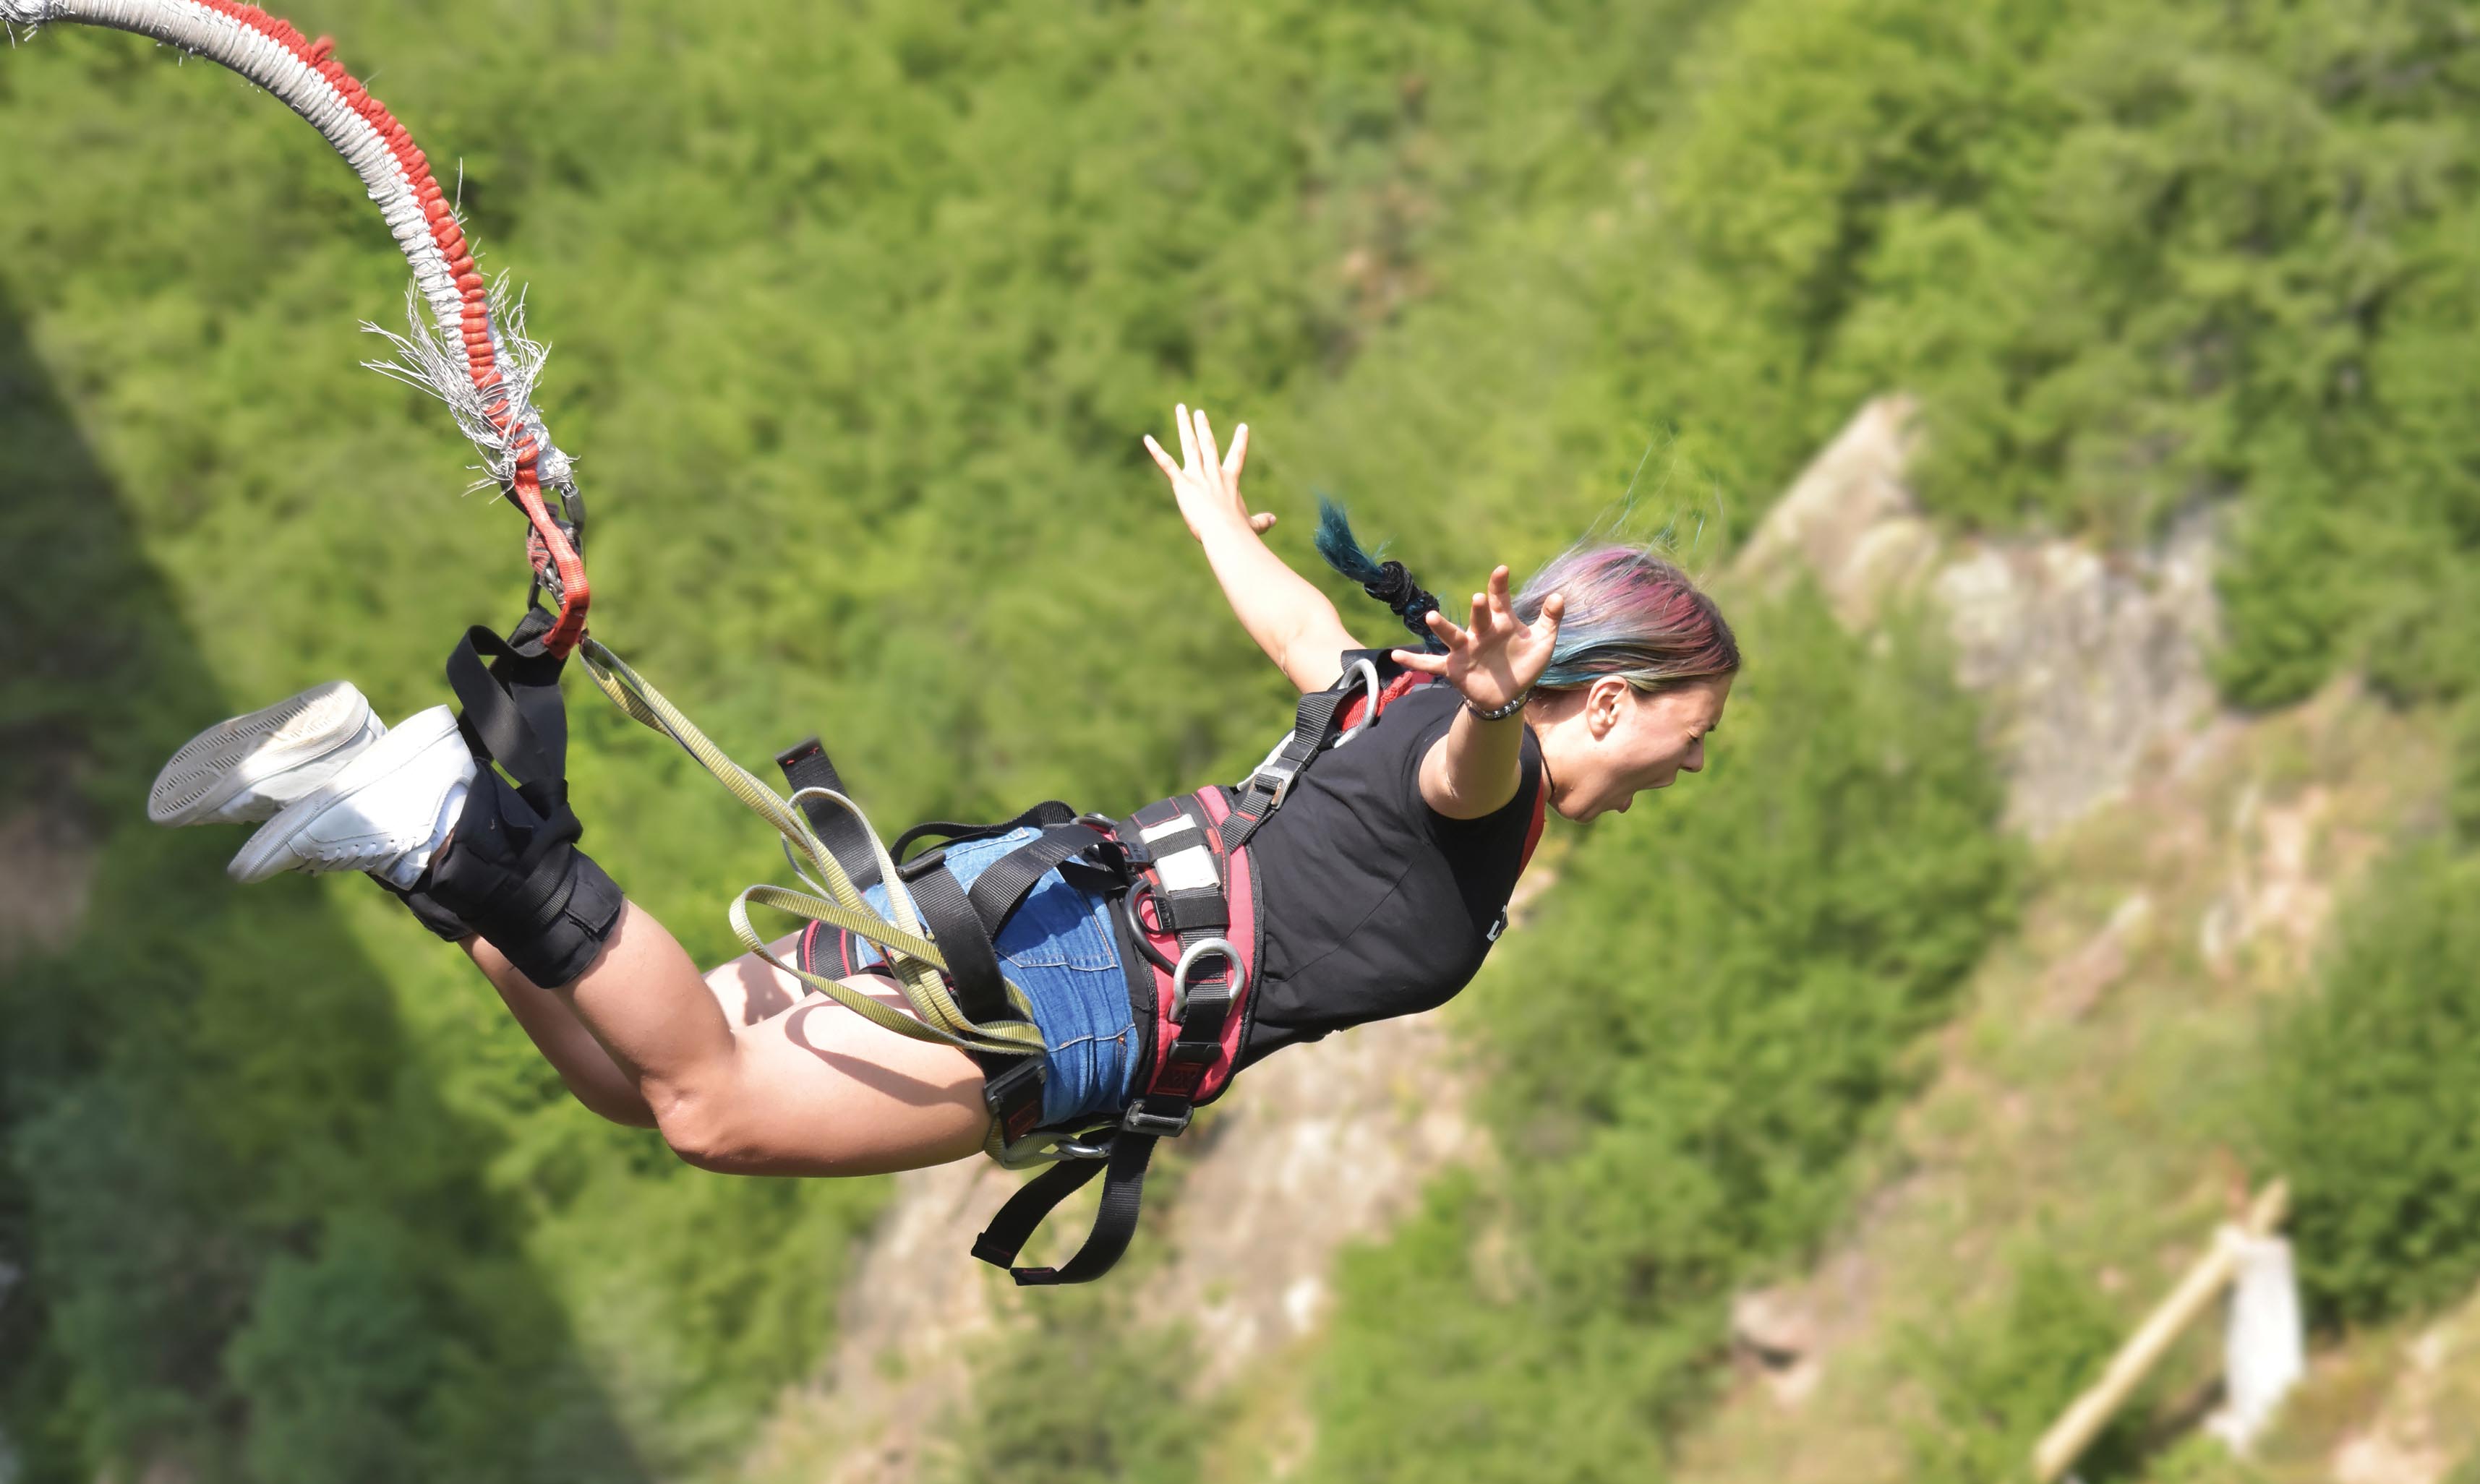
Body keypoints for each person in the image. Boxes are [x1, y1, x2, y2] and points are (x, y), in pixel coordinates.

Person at [147, 406, 1738, 1185]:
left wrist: (1212, 527)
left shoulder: (1387, 695)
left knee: (637, 1082)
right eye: (1692, 738)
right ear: (1611, 698)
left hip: (1042, 900)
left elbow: (1307, 636)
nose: (1687, 771)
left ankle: (415, 841)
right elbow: (1470, 774)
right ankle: (444, 816)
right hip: (1077, 992)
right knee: (707, 1109)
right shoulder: (1488, 764)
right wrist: (1482, 709)